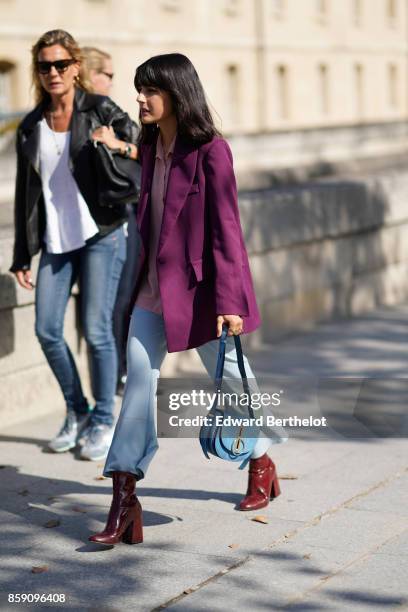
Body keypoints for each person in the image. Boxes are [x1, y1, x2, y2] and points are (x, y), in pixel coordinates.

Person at [89, 53, 287, 546]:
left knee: (235, 382)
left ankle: (260, 461)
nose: (140, 98)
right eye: (138, 89)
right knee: (138, 387)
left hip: (202, 295)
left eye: (149, 90)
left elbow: (227, 231)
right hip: (151, 293)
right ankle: (124, 499)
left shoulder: (211, 150)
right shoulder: (151, 142)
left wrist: (231, 302)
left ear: (177, 93)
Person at [10, 29, 138, 462]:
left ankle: (104, 419)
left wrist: (115, 142)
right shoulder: (31, 125)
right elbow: (27, 195)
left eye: (61, 64)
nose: (53, 73)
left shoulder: (99, 108)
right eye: (44, 66)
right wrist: (21, 255)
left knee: (98, 331)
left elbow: (145, 146)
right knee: (47, 329)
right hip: (56, 242)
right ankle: (79, 411)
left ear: (76, 67)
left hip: (102, 232)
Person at [81, 45, 141, 397]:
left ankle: (121, 371)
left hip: (122, 212)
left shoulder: (111, 113)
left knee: (122, 298)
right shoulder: (73, 115)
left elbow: (140, 147)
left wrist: (115, 143)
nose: (112, 81)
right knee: (108, 304)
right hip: (90, 222)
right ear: (90, 75)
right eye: (109, 74)